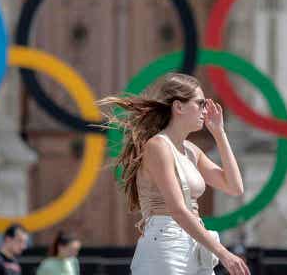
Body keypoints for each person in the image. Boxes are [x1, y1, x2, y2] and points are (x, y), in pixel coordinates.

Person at [98, 73, 251, 275]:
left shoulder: (191, 150)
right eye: (200, 104)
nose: (205, 111)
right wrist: (223, 253)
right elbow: (177, 210)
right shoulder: (158, 146)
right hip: (166, 242)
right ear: (178, 107)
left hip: (195, 243)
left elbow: (234, 187)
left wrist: (220, 134)